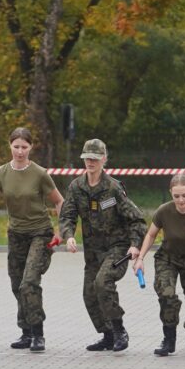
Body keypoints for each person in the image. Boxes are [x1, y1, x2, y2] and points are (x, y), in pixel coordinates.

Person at [59, 139, 146, 353]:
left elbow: (137, 219)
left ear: (104, 159)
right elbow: (67, 216)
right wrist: (68, 236)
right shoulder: (76, 187)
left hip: (117, 248)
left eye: (95, 158)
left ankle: (119, 330)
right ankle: (108, 335)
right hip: (92, 252)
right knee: (89, 294)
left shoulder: (113, 188)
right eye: (87, 158)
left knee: (102, 282)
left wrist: (135, 245)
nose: (91, 162)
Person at [0, 127, 63, 352]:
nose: (20, 151)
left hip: (40, 233)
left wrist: (61, 230)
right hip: (16, 234)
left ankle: (38, 333)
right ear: (10, 146)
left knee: (29, 282)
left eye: (24, 147)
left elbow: (59, 201)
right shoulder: (1, 173)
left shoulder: (40, 173)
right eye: (16, 146)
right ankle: (26, 332)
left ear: (31, 147)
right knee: (17, 284)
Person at [134, 173, 185, 357]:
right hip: (167, 258)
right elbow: (150, 235)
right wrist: (140, 258)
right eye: (176, 196)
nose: (181, 201)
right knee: (167, 295)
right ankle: (169, 339)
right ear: (171, 193)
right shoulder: (164, 211)